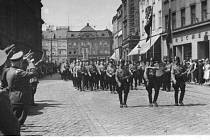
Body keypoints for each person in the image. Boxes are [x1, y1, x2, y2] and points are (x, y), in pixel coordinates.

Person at [1, 51, 37, 125]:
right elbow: (34, 73)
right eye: (21, 62)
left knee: (13, 121)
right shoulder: (19, 72)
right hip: (21, 100)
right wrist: (30, 62)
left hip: (11, 98)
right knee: (18, 122)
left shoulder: (7, 70)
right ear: (19, 62)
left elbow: (4, 84)